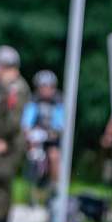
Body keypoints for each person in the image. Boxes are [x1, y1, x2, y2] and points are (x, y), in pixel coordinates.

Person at [0, 45, 30, 222]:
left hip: (8, 143)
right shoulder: (8, 87)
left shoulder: (15, 88)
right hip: (5, 141)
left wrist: (3, 140)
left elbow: (13, 119)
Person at [21, 69, 64, 200]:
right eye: (42, 87)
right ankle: (31, 184)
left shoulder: (58, 101)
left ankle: (54, 184)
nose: (45, 90)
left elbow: (60, 120)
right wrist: (27, 129)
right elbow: (27, 118)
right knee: (30, 151)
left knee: (54, 156)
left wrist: (56, 131)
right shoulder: (34, 100)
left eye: (48, 87)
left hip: (51, 135)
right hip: (37, 134)